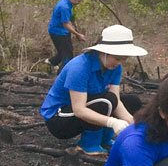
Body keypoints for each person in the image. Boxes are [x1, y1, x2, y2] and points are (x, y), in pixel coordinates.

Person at [40, 24, 146, 155]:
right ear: (104, 52)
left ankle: (105, 140)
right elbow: (79, 110)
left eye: (123, 59)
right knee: (106, 101)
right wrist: (112, 122)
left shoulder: (114, 68)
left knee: (131, 101)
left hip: (89, 107)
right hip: (59, 119)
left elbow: (116, 101)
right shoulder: (80, 67)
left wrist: (132, 123)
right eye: (117, 58)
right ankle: (89, 144)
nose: (119, 63)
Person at [45, 0, 86, 70]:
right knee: (67, 55)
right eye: (79, 1)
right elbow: (66, 24)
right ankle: (62, 74)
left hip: (60, 30)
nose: (79, 3)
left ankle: (51, 62)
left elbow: (67, 20)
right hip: (58, 33)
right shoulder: (65, 7)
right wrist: (78, 35)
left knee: (63, 51)